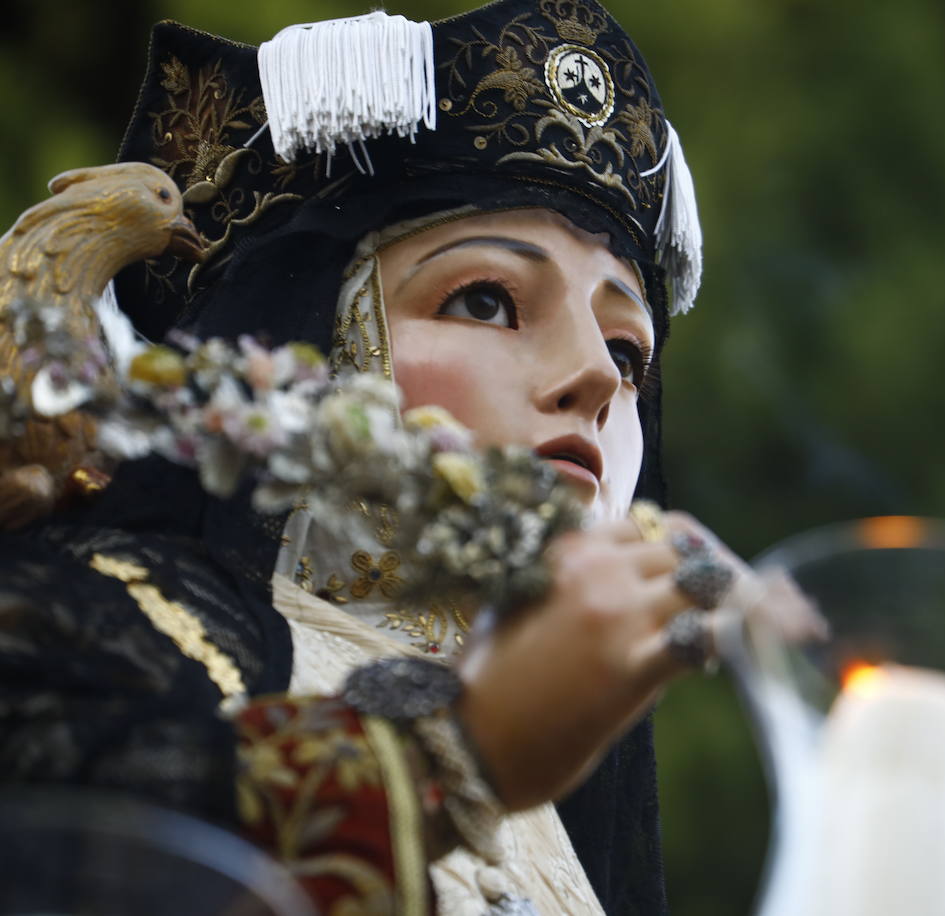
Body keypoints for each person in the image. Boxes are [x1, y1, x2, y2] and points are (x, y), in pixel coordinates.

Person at [0, 2, 804, 913]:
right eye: (487, 301)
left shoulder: (575, 863)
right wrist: (448, 757)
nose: (595, 377)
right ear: (320, 342)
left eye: (628, 354)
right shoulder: (101, 619)